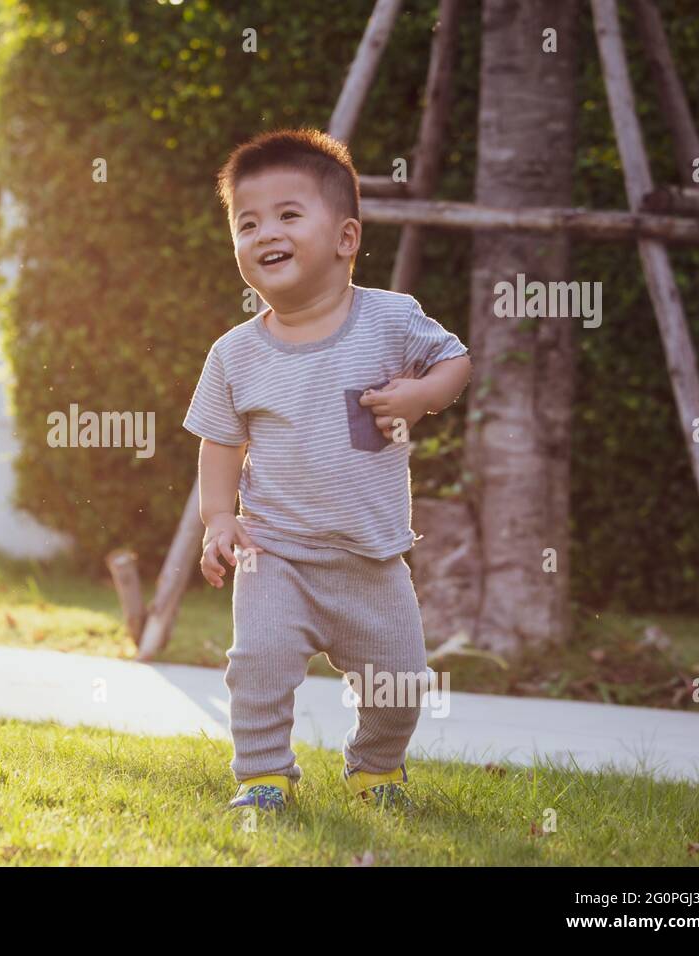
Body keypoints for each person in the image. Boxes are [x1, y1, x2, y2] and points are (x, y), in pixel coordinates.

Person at [182, 128, 472, 812]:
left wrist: (423, 396)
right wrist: (219, 519)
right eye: (247, 222)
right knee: (256, 667)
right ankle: (262, 774)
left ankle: (376, 768)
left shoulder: (391, 320)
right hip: (275, 553)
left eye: (288, 215)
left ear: (346, 238)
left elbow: (455, 360)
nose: (265, 233)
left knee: (401, 680)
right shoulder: (235, 355)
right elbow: (220, 443)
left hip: (374, 560)